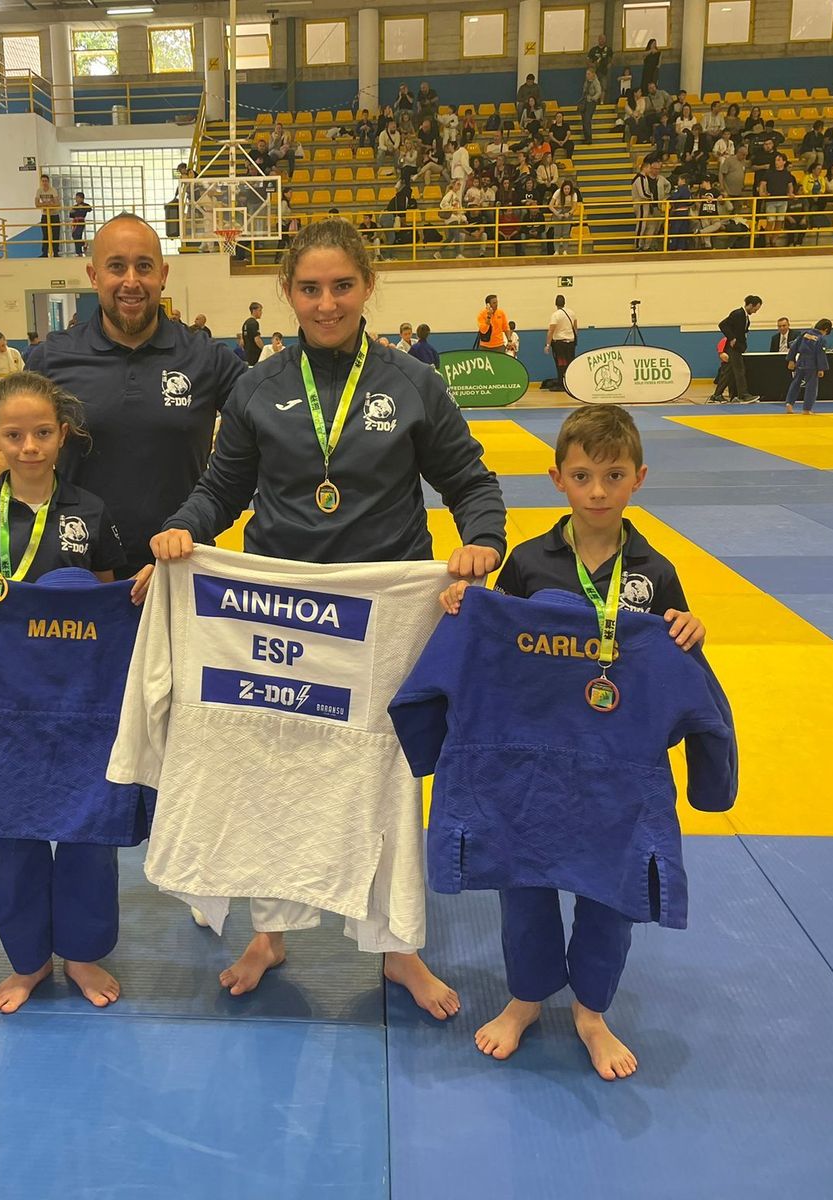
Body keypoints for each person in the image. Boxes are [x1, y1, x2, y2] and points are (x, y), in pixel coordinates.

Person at [147, 217, 506, 1019]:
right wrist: (184, 526)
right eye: (309, 287)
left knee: (382, 779)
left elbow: (472, 484)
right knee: (272, 772)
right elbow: (221, 491)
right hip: (282, 619)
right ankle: (270, 933)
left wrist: (482, 543)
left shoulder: (414, 383)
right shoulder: (258, 386)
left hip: (381, 625)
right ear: (286, 294)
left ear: (368, 286)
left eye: (342, 284)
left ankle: (398, 951)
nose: (326, 301)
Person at [436, 404, 707, 1078]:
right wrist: (463, 611)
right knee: (522, 877)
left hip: (616, 764)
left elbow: (675, 648)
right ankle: (526, 997)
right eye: (582, 475)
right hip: (533, 757)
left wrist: (690, 628)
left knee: (611, 889)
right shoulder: (528, 563)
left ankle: (591, 1010)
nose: (596, 491)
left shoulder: (656, 569)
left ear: (638, 478)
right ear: (556, 477)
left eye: (613, 475)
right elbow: (498, 648)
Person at [0, 371, 128, 1011]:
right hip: (2, 705)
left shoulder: (92, 510)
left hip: (78, 705)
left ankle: (84, 956)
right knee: (9, 836)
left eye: (43, 433)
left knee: (86, 831)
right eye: (14, 435)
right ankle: (28, 962)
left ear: (62, 436)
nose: (30, 446)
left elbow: (104, 600)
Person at [0, 214, 245, 589]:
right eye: (116, 267)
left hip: (176, 566)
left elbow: (265, 423)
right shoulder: (53, 357)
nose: (131, 281)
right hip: (75, 575)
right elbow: (7, 436)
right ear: (94, 276)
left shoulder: (206, 358)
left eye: (144, 267)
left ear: (163, 274)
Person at [710, 295, 762, 402]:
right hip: (733, 348)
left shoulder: (745, 316)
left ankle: (717, 395)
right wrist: (732, 338)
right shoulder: (738, 313)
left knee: (729, 371)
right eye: (755, 309)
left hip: (738, 347)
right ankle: (743, 394)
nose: (756, 311)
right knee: (740, 371)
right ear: (750, 305)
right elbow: (723, 324)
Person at [784, 319, 832, 414]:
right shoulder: (821, 339)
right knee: (811, 386)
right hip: (812, 364)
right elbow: (820, 354)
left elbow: (794, 346)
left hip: (801, 361)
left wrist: (791, 359)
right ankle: (807, 409)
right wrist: (821, 368)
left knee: (796, 383)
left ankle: (789, 404)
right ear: (826, 330)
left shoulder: (805, 334)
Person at [545, 294, 578, 391]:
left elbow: (551, 331)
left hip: (559, 344)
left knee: (560, 363)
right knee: (570, 363)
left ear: (556, 303)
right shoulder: (572, 313)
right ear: (564, 302)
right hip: (571, 343)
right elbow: (575, 328)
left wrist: (547, 344)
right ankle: (570, 383)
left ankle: (561, 384)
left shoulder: (555, 315)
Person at [35, 174, 60, 258]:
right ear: (41, 182)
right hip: (45, 215)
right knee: (45, 235)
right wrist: (49, 204)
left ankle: (56, 252)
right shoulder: (39, 191)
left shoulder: (53, 190)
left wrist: (44, 204)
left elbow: (57, 203)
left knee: (55, 234)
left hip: (54, 215)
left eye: (46, 181)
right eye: (43, 181)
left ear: (48, 181)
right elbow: (37, 204)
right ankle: (44, 253)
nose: (44, 183)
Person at [579, 66, 603, 144]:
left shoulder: (596, 82)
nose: (587, 75)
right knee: (584, 119)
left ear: (593, 74)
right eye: (586, 74)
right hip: (585, 101)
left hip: (591, 102)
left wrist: (593, 98)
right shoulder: (586, 81)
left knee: (587, 119)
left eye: (588, 74)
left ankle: (589, 138)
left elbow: (599, 92)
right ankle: (586, 137)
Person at [68, 191, 92, 256]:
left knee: (77, 235)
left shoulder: (85, 205)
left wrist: (82, 207)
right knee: (74, 235)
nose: (76, 199)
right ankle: (83, 244)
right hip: (75, 222)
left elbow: (89, 209)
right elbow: (71, 214)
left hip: (81, 221)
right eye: (76, 198)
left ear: (82, 198)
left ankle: (79, 252)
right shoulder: (75, 206)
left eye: (78, 198)